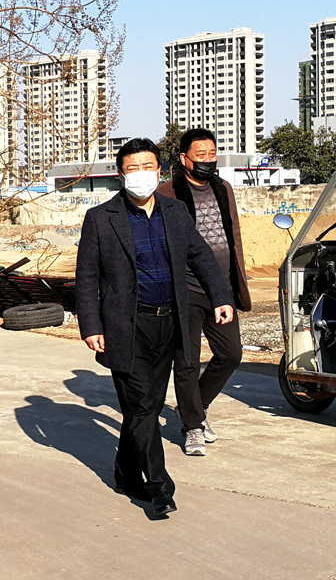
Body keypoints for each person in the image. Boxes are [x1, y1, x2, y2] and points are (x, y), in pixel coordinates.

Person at [75, 138, 233, 517]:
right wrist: (91, 325)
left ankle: (125, 473)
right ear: (120, 175)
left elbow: (200, 256)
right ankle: (160, 488)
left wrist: (221, 297)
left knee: (144, 407)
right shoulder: (101, 218)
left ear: (159, 171)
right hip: (124, 326)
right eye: (132, 168)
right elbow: (87, 276)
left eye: (147, 167)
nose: (141, 174)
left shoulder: (175, 212)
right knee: (143, 405)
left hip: (169, 323)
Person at [157, 128, 251, 456]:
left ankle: (196, 405)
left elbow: (233, 232)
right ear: (185, 159)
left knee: (231, 354)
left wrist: (238, 278)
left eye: (212, 154)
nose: (208, 161)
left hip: (221, 288)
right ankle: (193, 426)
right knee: (186, 361)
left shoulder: (223, 188)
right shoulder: (166, 193)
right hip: (185, 288)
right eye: (201, 156)